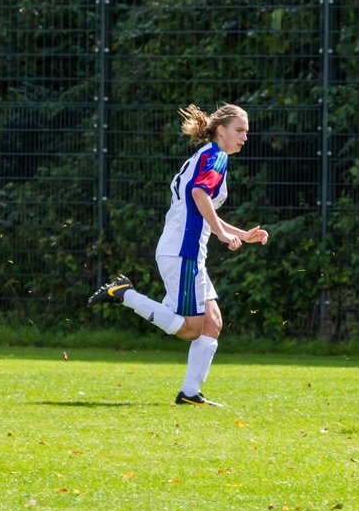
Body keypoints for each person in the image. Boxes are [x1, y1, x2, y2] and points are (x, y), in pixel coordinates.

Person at [87, 103, 269, 406]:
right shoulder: (217, 156)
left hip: (183, 251)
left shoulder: (208, 155)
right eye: (239, 131)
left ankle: (190, 394)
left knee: (212, 323)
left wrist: (241, 234)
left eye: (246, 132)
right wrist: (223, 236)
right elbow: (199, 195)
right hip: (183, 252)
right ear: (221, 130)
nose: (244, 137)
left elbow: (200, 204)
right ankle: (124, 294)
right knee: (191, 329)